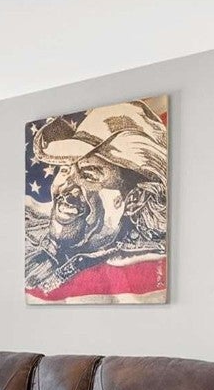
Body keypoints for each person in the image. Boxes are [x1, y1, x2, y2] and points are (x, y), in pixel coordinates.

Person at [23, 99, 168, 298]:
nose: (67, 186)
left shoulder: (149, 263)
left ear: (135, 199)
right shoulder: (29, 236)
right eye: (65, 170)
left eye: (89, 174)